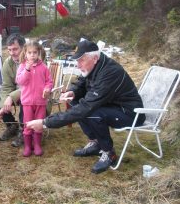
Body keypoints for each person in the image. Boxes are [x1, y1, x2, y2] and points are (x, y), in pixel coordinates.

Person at [27, 39, 146, 173]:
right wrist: (73, 91)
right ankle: (95, 143)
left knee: (92, 112)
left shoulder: (110, 73)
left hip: (130, 113)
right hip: (113, 106)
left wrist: (45, 123)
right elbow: (81, 82)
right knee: (74, 101)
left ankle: (108, 152)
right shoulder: (96, 65)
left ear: (94, 58)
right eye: (77, 60)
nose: (78, 65)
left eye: (81, 60)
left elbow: (87, 106)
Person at [0, 33, 25, 147]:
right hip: (15, 93)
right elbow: (6, 86)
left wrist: (11, 97)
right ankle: (11, 125)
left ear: (23, 47)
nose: (12, 53)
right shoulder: (8, 63)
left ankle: (24, 131)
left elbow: (30, 88)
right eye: (9, 50)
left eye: (15, 49)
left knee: (25, 99)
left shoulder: (33, 60)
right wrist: (3, 105)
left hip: (33, 95)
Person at [16, 40, 53, 157]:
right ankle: (27, 146)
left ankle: (37, 145)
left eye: (35, 52)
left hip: (40, 102)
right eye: (29, 52)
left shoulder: (44, 67)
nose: (32, 55)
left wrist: (47, 89)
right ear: (25, 53)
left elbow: (49, 82)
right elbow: (20, 81)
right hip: (27, 102)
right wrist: (27, 69)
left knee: (38, 124)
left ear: (39, 53)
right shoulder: (22, 66)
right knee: (27, 124)